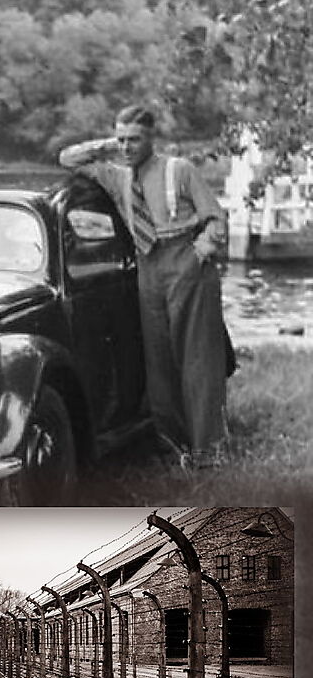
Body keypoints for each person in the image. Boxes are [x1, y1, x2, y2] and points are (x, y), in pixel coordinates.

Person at [59, 105, 229, 470]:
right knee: (159, 360)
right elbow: (67, 158)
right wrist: (109, 142)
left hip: (184, 257)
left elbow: (216, 217)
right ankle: (173, 445)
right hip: (147, 266)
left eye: (134, 139)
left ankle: (207, 452)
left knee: (198, 359)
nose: (127, 147)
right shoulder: (115, 175)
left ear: (152, 137)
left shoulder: (178, 169)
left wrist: (199, 252)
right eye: (121, 139)